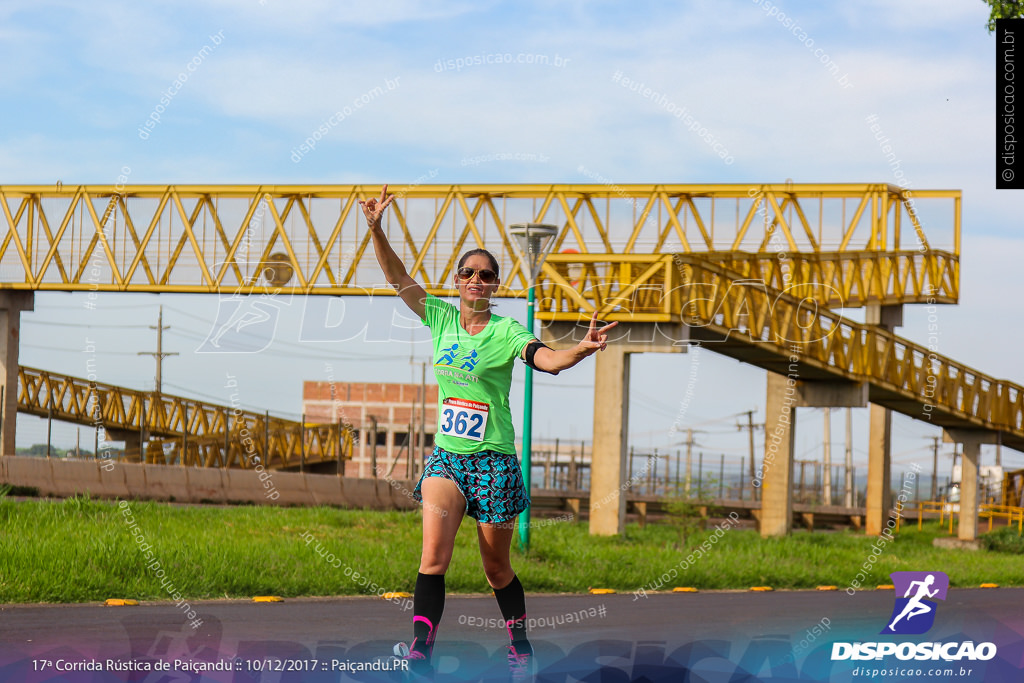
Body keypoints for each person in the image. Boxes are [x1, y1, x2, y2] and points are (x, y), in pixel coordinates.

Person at [359, 185, 617, 680]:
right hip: (448, 459)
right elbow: (396, 277)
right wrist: (376, 228)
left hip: (493, 461)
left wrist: (581, 349)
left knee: (495, 569)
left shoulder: (508, 331)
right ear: (457, 281)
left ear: (496, 285)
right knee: (433, 555)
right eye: (468, 273)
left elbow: (548, 360)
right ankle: (421, 651)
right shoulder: (437, 316)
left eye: (487, 275)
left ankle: (519, 642)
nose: (477, 280)